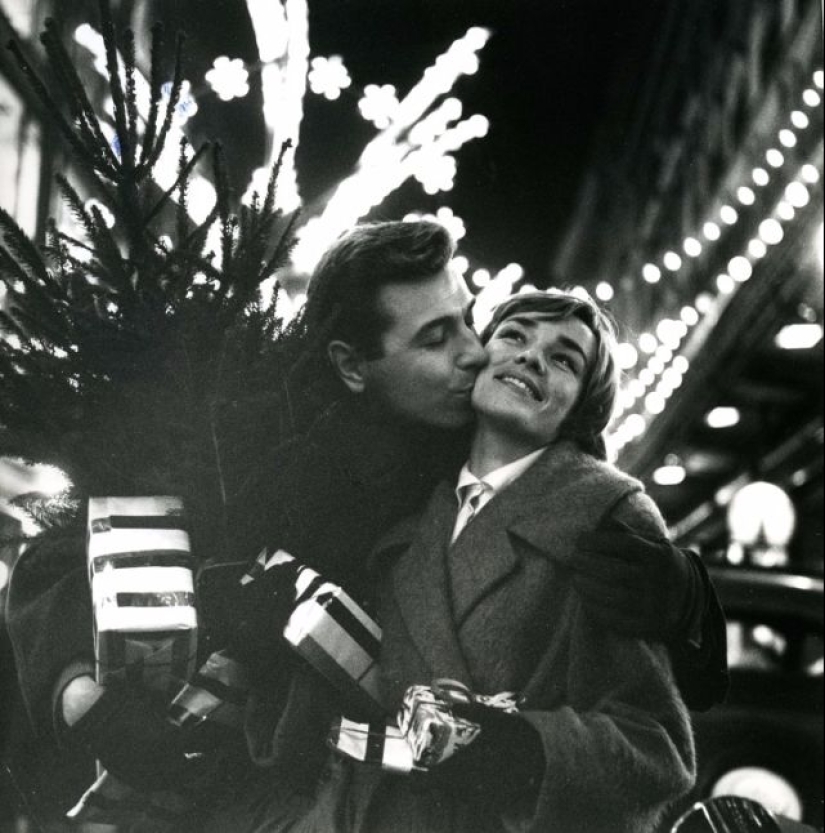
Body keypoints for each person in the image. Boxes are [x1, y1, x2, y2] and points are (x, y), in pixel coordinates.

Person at [5, 221, 722, 806]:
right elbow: (62, 556)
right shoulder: (237, 432)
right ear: (352, 366)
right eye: (436, 339)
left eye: (468, 318)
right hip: (196, 788)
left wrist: (686, 595)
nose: (475, 354)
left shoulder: (473, 435)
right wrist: (82, 697)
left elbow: (586, 509)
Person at [205, 288, 696, 833]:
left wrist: (522, 751)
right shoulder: (411, 506)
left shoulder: (605, 514)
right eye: (514, 335)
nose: (532, 356)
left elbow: (656, 747)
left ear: (581, 408)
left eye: (564, 359)